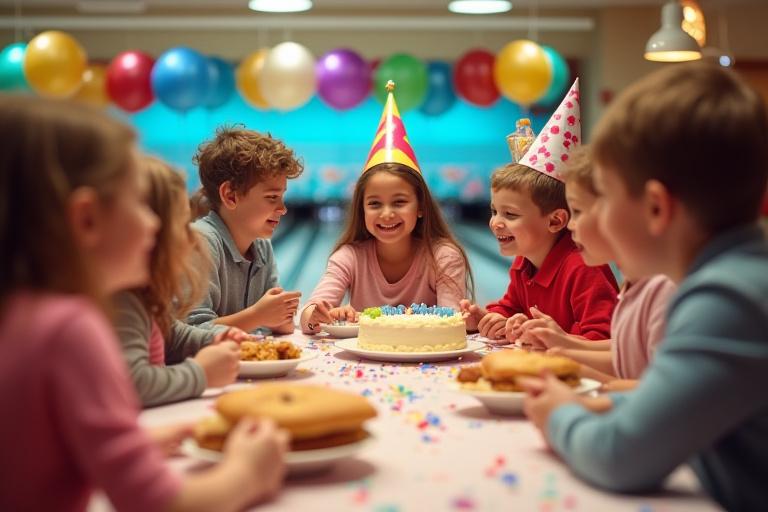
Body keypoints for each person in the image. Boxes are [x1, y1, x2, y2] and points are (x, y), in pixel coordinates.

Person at [0, 97, 287, 512]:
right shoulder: (69, 329)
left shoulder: (24, 315)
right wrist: (248, 472)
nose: (156, 224)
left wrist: (137, 441)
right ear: (86, 219)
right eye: (137, 203)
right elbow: (161, 504)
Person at [521, 63, 768, 512]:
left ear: (656, 208)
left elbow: (621, 456)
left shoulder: (728, 299)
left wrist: (560, 413)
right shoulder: (738, 275)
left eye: (608, 197)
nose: (594, 220)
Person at [300, 81, 474, 333]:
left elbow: (454, 324)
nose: (386, 213)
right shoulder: (349, 257)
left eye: (400, 202)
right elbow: (308, 318)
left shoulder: (443, 257)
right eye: (374, 204)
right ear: (361, 210)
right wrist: (319, 314)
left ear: (421, 206)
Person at [461, 79, 618, 341]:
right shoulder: (524, 263)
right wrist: (490, 318)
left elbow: (605, 339)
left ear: (556, 221)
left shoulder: (583, 268)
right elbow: (511, 308)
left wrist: (552, 338)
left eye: (510, 215)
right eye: (493, 211)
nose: (496, 223)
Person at [517, 146, 676, 387]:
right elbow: (628, 353)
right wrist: (564, 346)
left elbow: (663, 394)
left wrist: (575, 369)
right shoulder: (635, 280)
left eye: (578, 211)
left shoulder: (664, 287)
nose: (570, 225)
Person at [114, 156, 249, 407]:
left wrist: (214, 339)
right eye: (182, 225)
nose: (191, 238)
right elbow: (131, 383)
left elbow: (170, 335)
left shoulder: (141, 296)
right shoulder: (121, 302)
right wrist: (200, 374)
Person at [187, 126, 302, 334]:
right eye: (272, 197)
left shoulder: (262, 246)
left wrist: (288, 317)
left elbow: (276, 321)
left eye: (282, 196)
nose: (283, 209)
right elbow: (190, 331)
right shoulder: (200, 242)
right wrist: (258, 316)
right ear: (230, 196)